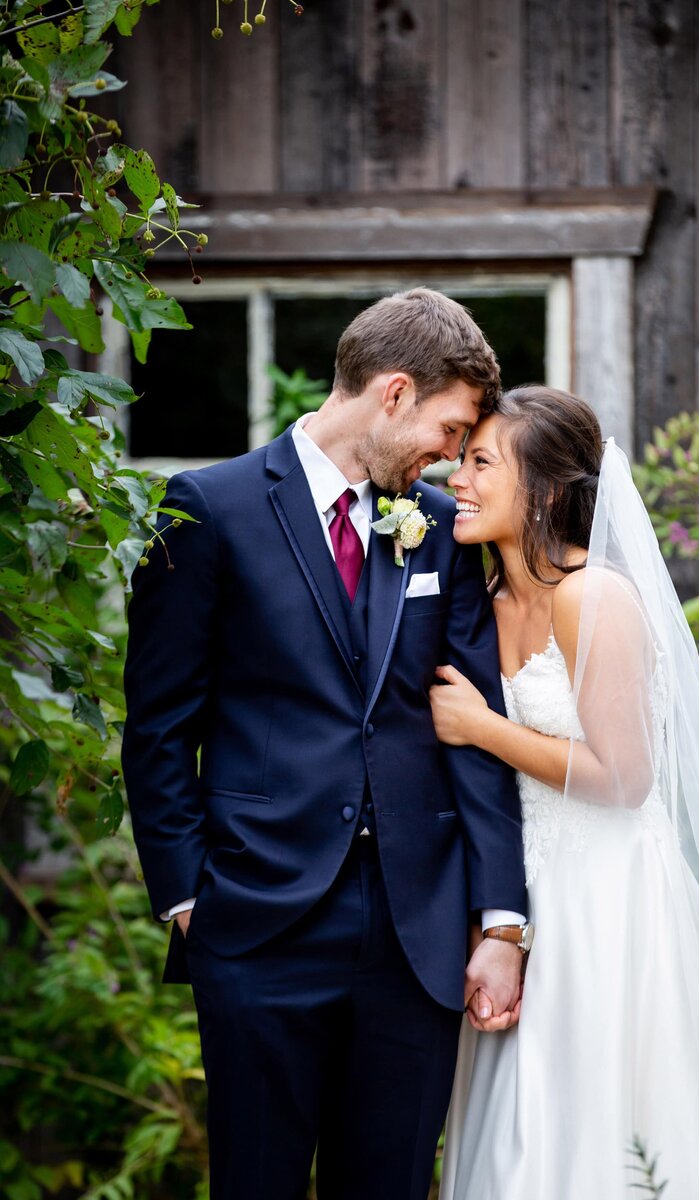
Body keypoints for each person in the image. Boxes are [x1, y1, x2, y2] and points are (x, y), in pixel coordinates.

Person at [121, 288, 528, 1200]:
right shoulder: (205, 509)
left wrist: (501, 919)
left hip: (416, 937)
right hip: (257, 926)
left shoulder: (438, 533)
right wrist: (188, 900)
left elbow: (473, 729)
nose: (454, 459)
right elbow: (158, 727)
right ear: (392, 394)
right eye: (451, 429)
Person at [432, 386, 699, 1200]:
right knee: (522, 1132)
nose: (457, 475)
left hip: (609, 898)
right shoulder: (485, 601)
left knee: (608, 1125)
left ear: (548, 490)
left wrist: (482, 726)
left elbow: (625, 780)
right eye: (460, 456)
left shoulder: (591, 597)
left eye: (482, 461)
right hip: (519, 899)